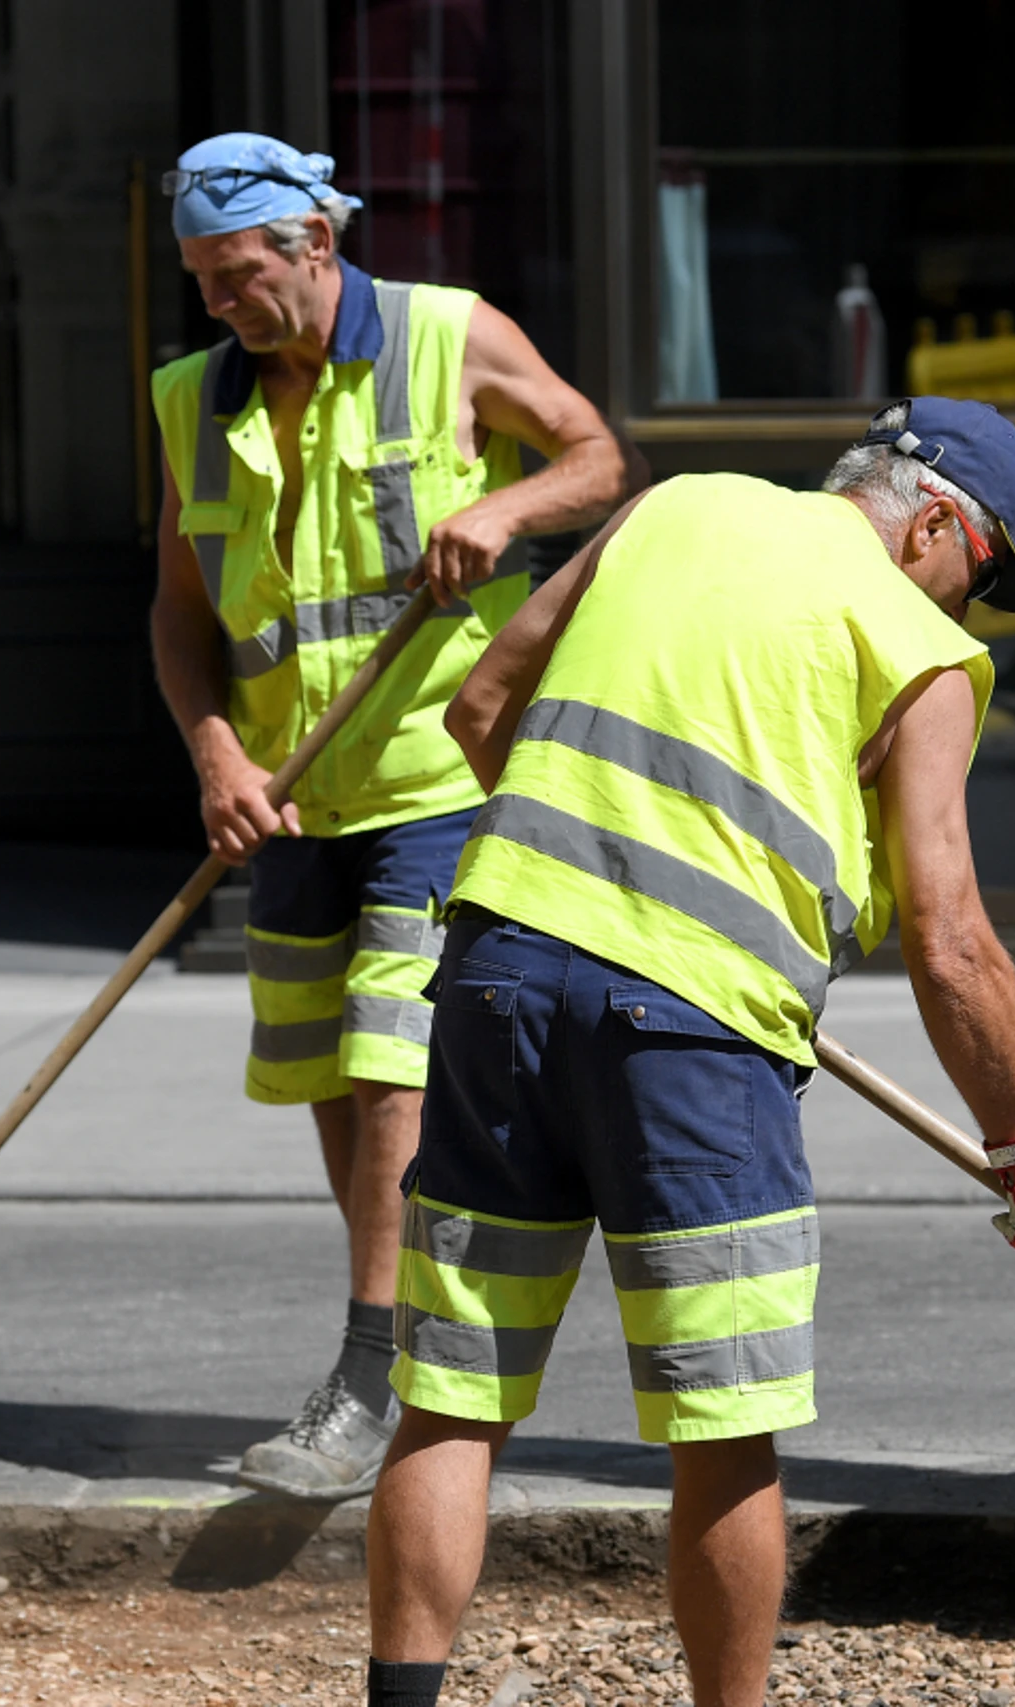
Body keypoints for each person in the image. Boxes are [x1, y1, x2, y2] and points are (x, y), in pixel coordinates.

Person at [360, 398, 1015, 1707]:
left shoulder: (669, 506)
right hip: (693, 1038)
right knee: (724, 1419)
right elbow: (953, 937)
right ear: (934, 519)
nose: (968, 604)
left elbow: (484, 705)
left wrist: (588, 882)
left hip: (499, 975)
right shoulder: (917, 650)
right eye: (979, 571)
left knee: (456, 1391)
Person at [150, 133, 637, 1499]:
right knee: (323, 1075)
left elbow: (601, 460)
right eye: (199, 282)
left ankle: (370, 1373)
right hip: (289, 793)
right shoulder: (192, 399)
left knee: (387, 1065)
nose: (217, 307)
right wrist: (213, 760)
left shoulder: (447, 337)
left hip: (436, 775)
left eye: (237, 274)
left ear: (313, 243)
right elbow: (179, 619)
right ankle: (402, 1326)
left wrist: (509, 509)